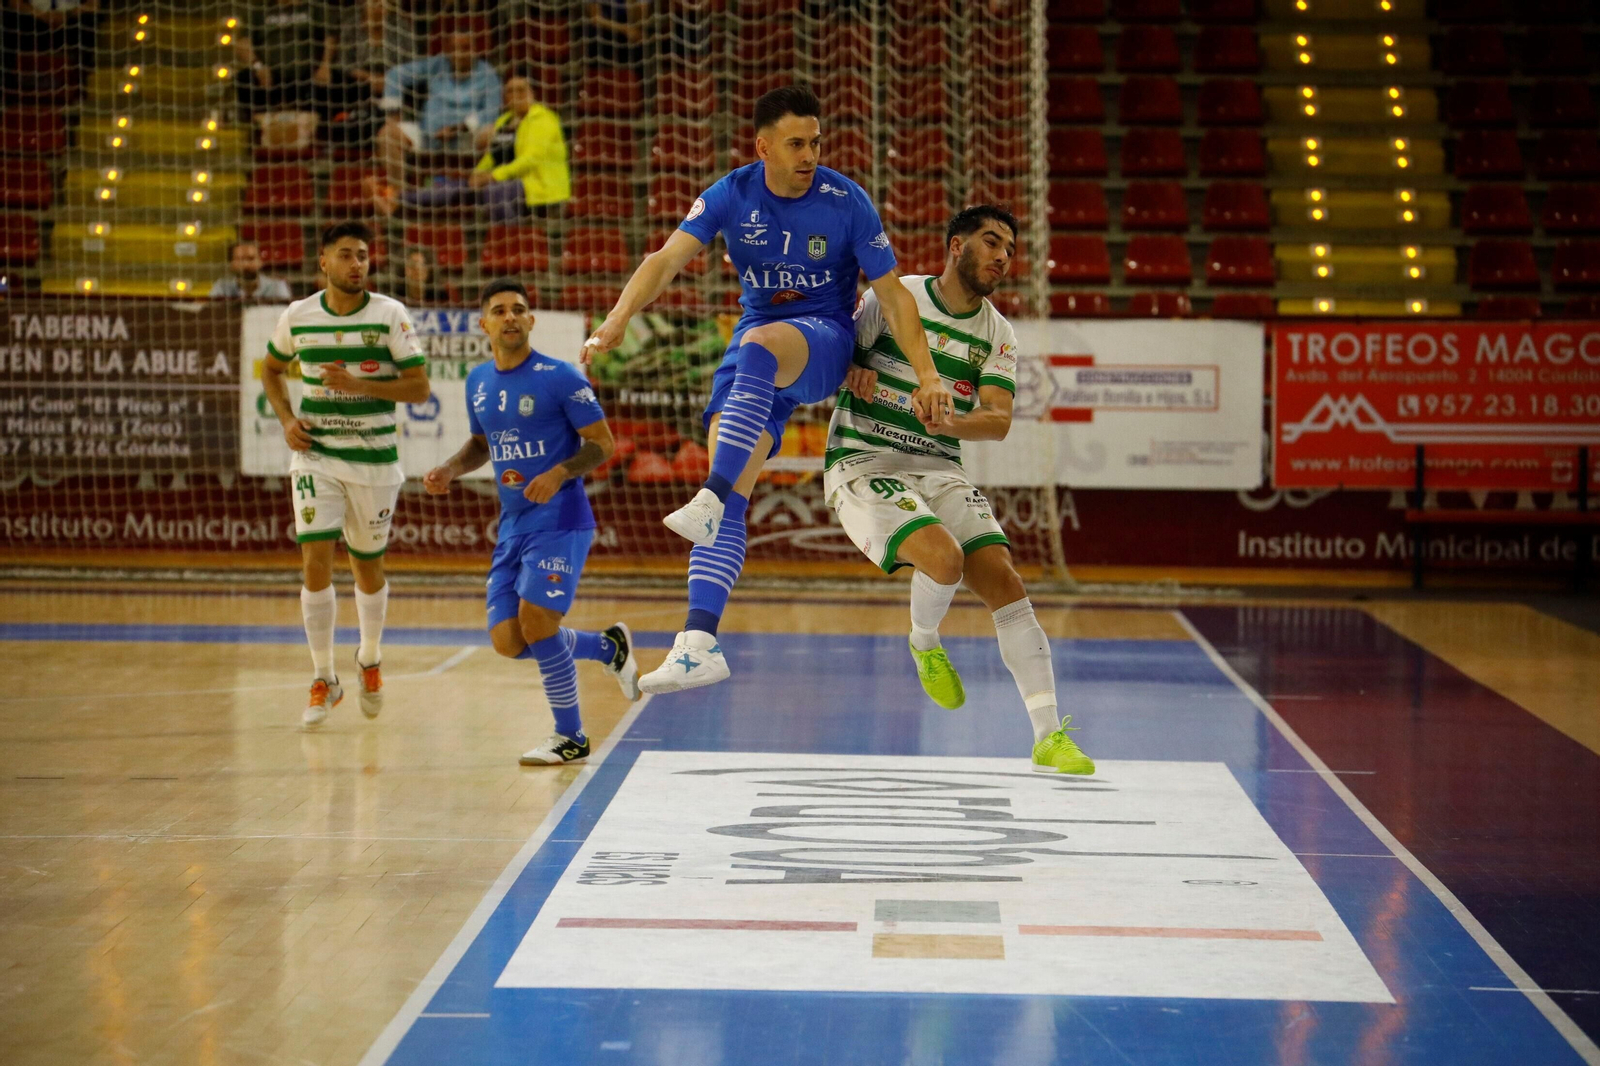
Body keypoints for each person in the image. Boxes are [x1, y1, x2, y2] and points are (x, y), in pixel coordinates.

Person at [582, 84, 955, 694]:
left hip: (822, 341)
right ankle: (699, 643)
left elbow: (893, 296)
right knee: (732, 498)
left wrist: (929, 373)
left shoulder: (845, 199)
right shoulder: (731, 192)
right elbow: (664, 259)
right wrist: (616, 320)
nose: (810, 153)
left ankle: (710, 492)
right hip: (754, 349)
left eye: (815, 141)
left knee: (751, 374)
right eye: (796, 143)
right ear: (763, 147)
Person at [827, 205, 1094, 776]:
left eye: (1010, 249)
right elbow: (831, 358)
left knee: (1004, 578)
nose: (1003, 256)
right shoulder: (898, 296)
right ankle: (924, 642)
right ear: (955, 246)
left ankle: (1049, 736)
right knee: (944, 560)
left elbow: (997, 421)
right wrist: (850, 370)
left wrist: (946, 420)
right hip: (863, 460)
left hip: (939, 464)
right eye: (992, 242)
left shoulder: (998, 333)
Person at [424, 279, 639, 766]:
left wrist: (559, 473)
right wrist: (449, 469)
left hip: (562, 518)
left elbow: (602, 445)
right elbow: (482, 445)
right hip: (514, 523)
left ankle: (572, 736)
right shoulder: (478, 380)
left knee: (537, 622)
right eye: (499, 311)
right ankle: (607, 647)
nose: (510, 317)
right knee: (509, 641)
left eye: (519, 309)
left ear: (531, 320)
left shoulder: (560, 376)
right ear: (484, 324)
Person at [259, 221, 432, 728]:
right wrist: (288, 419)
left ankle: (370, 658)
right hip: (317, 456)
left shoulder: (388, 315)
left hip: (375, 461)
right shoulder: (299, 315)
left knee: (367, 568)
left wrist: (358, 382)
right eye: (346, 255)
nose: (357, 263)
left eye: (363, 255)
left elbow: (419, 388)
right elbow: (270, 369)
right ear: (324, 262)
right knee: (315, 559)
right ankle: (323, 677)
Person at [370, 75, 569, 221]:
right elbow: (492, 156)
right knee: (453, 188)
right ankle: (396, 198)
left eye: (520, 90)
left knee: (495, 192)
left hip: (536, 186)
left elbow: (530, 161)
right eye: (509, 91)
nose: (515, 95)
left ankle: (509, 239)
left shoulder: (544, 120)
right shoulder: (504, 121)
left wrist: (491, 176)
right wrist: (477, 174)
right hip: (504, 179)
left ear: (532, 93)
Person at [376, 31, 501, 186]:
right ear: (448, 50)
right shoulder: (437, 65)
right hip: (428, 135)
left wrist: (457, 129)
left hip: (468, 139)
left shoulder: (488, 74)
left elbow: (491, 113)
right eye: (455, 48)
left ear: (475, 49)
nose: (460, 53)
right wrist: (393, 114)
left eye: (465, 48)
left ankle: (483, 191)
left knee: (491, 133)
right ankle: (399, 196)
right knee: (387, 134)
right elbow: (395, 75)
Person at [234, 0, 335, 121]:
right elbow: (242, 43)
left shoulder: (313, 7)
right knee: (243, 78)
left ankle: (321, 131)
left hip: (307, 73)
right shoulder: (259, 10)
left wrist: (325, 65)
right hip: (269, 75)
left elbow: (330, 37)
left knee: (335, 79)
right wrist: (258, 66)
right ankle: (259, 128)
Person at [210, 240, 292, 303]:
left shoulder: (277, 287)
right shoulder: (221, 288)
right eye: (240, 260)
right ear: (231, 264)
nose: (246, 265)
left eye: (251, 259)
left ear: (260, 261)